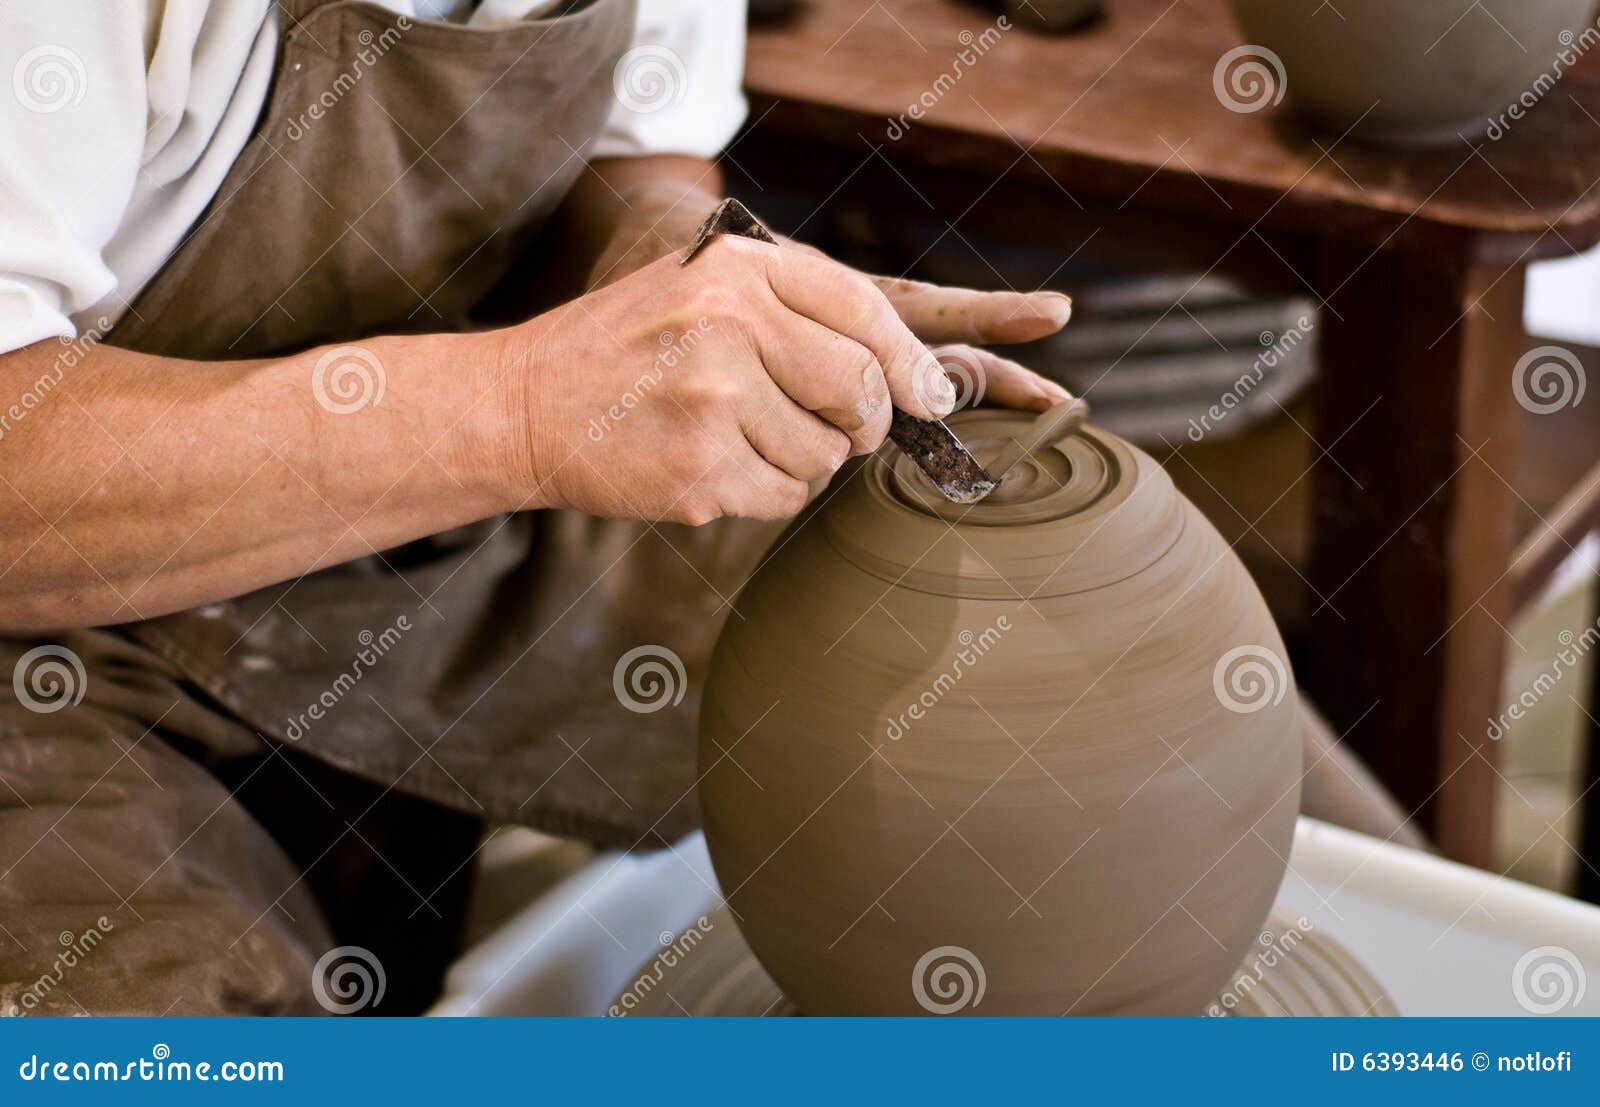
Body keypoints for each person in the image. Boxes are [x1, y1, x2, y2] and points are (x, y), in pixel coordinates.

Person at [0, 0, 1074, 1015]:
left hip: (399, 521)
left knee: (979, 658)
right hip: (45, 613)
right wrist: (514, 413)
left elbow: (631, 142)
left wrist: (666, 249)